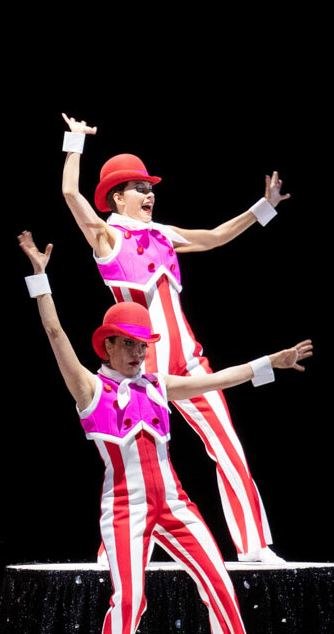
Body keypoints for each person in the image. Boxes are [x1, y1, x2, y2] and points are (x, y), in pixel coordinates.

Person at [16, 232, 303, 634]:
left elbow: (216, 380)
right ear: (108, 346)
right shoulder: (91, 390)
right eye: (129, 345)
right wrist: (40, 279)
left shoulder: (157, 385)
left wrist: (269, 363)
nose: (138, 353)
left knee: (218, 581)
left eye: (144, 346)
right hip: (125, 508)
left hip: (175, 503)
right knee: (130, 599)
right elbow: (55, 334)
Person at [58, 113, 293, 562]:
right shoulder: (108, 238)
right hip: (141, 371)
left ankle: (253, 545)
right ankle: (114, 549)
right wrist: (76, 139)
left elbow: (214, 237)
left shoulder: (163, 235)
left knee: (228, 444)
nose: (150, 194)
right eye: (139, 188)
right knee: (136, 464)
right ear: (117, 197)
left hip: (189, 360)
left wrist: (264, 208)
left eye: (150, 187)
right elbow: (71, 193)